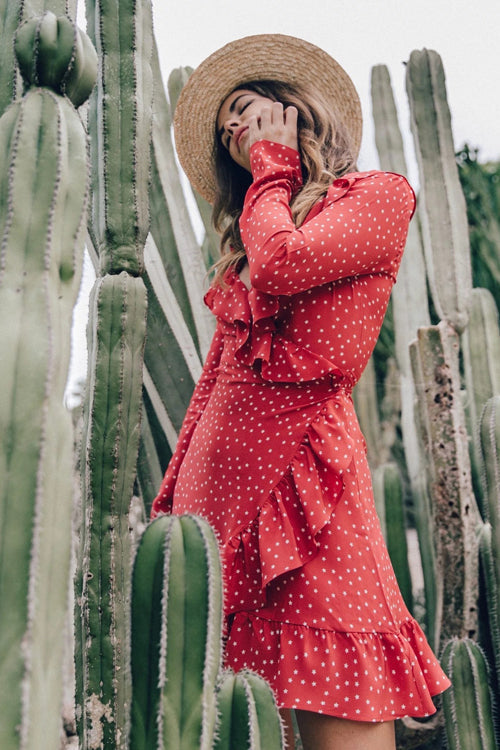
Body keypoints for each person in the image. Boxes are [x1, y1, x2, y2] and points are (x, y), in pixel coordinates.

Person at [151, 34, 451, 750]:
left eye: (246, 109)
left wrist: (271, 169)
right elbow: (218, 381)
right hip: (220, 504)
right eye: (228, 126)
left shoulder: (380, 196)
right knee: (240, 724)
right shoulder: (256, 222)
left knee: (340, 692)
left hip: (309, 486)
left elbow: (285, 265)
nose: (235, 129)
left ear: (295, 112)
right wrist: (174, 502)